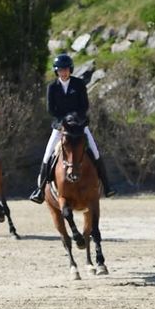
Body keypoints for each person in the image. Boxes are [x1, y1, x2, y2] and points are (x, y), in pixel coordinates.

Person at [28, 54, 115, 203]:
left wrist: (75, 118)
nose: (64, 72)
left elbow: (84, 105)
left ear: (71, 70)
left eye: (66, 69)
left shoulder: (79, 84)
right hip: (61, 126)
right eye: (61, 70)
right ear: (57, 71)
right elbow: (51, 109)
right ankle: (40, 190)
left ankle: (107, 186)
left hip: (79, 125)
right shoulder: (52, 87)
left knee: (94, 151)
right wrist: (63, 121)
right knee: (48, 155)